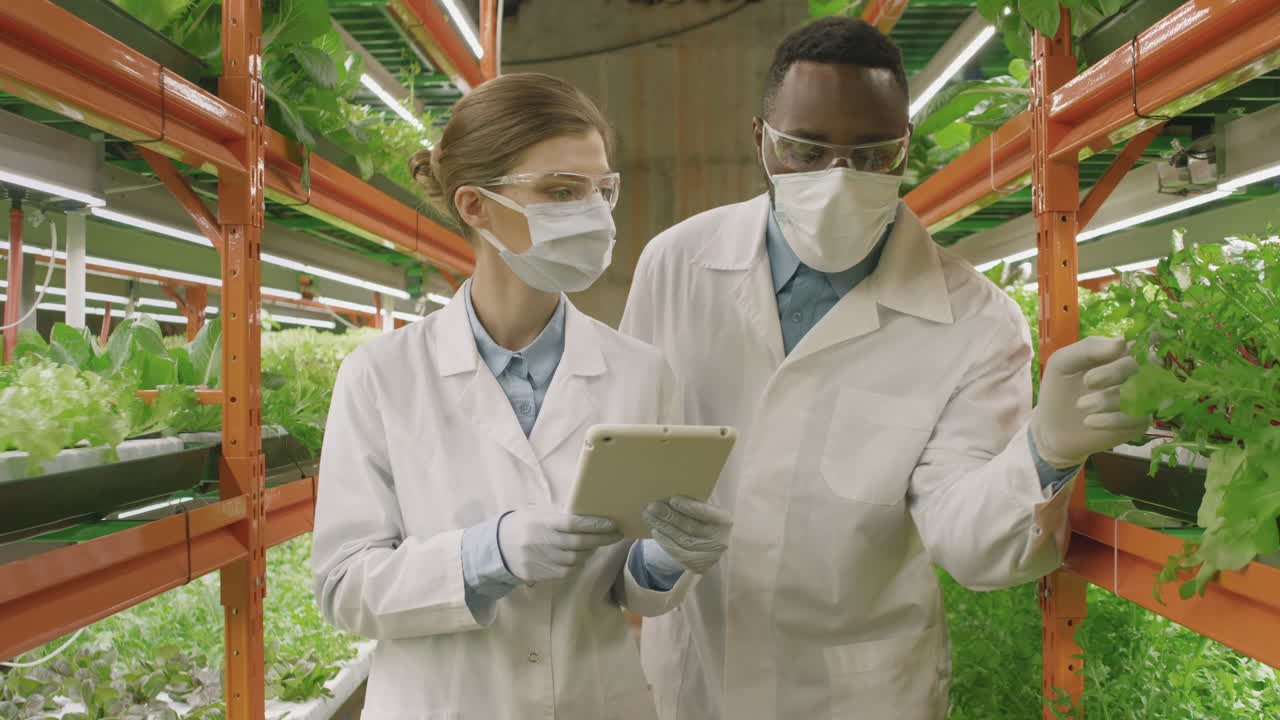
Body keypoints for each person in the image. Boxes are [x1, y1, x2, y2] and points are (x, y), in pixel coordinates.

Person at [620, 17, 1147, 720]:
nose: (838, 180)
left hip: (857, 693)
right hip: (691, 675)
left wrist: (1045, 453)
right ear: (761, 142)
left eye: (870, 156)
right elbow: (630, 452)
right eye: (807, 151)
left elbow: (969, 545)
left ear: (904, 153)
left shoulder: (975, 321)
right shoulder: (679, 264)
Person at [312, 72, 733, 720]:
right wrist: (487, 554)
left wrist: (664, 559)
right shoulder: (382, 375)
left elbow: (627, 586)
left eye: (601, 192)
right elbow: (343, 588)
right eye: (561, 192)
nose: (592, 216)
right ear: (476, 207)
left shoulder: (641, 372)